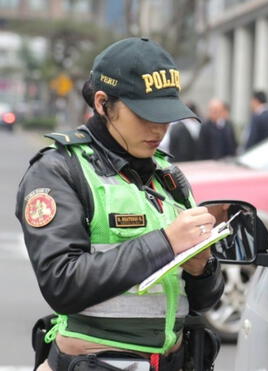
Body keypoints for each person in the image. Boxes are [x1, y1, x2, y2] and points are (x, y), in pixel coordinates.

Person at [16, 38, 224, 370]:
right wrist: (166, 243)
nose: (158, 128)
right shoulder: (58, 170)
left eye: (166, 115)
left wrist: (203, 269)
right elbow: (62, 283)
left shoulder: (168, 174)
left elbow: (204, 301)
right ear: (102, 103)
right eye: (145, 115)